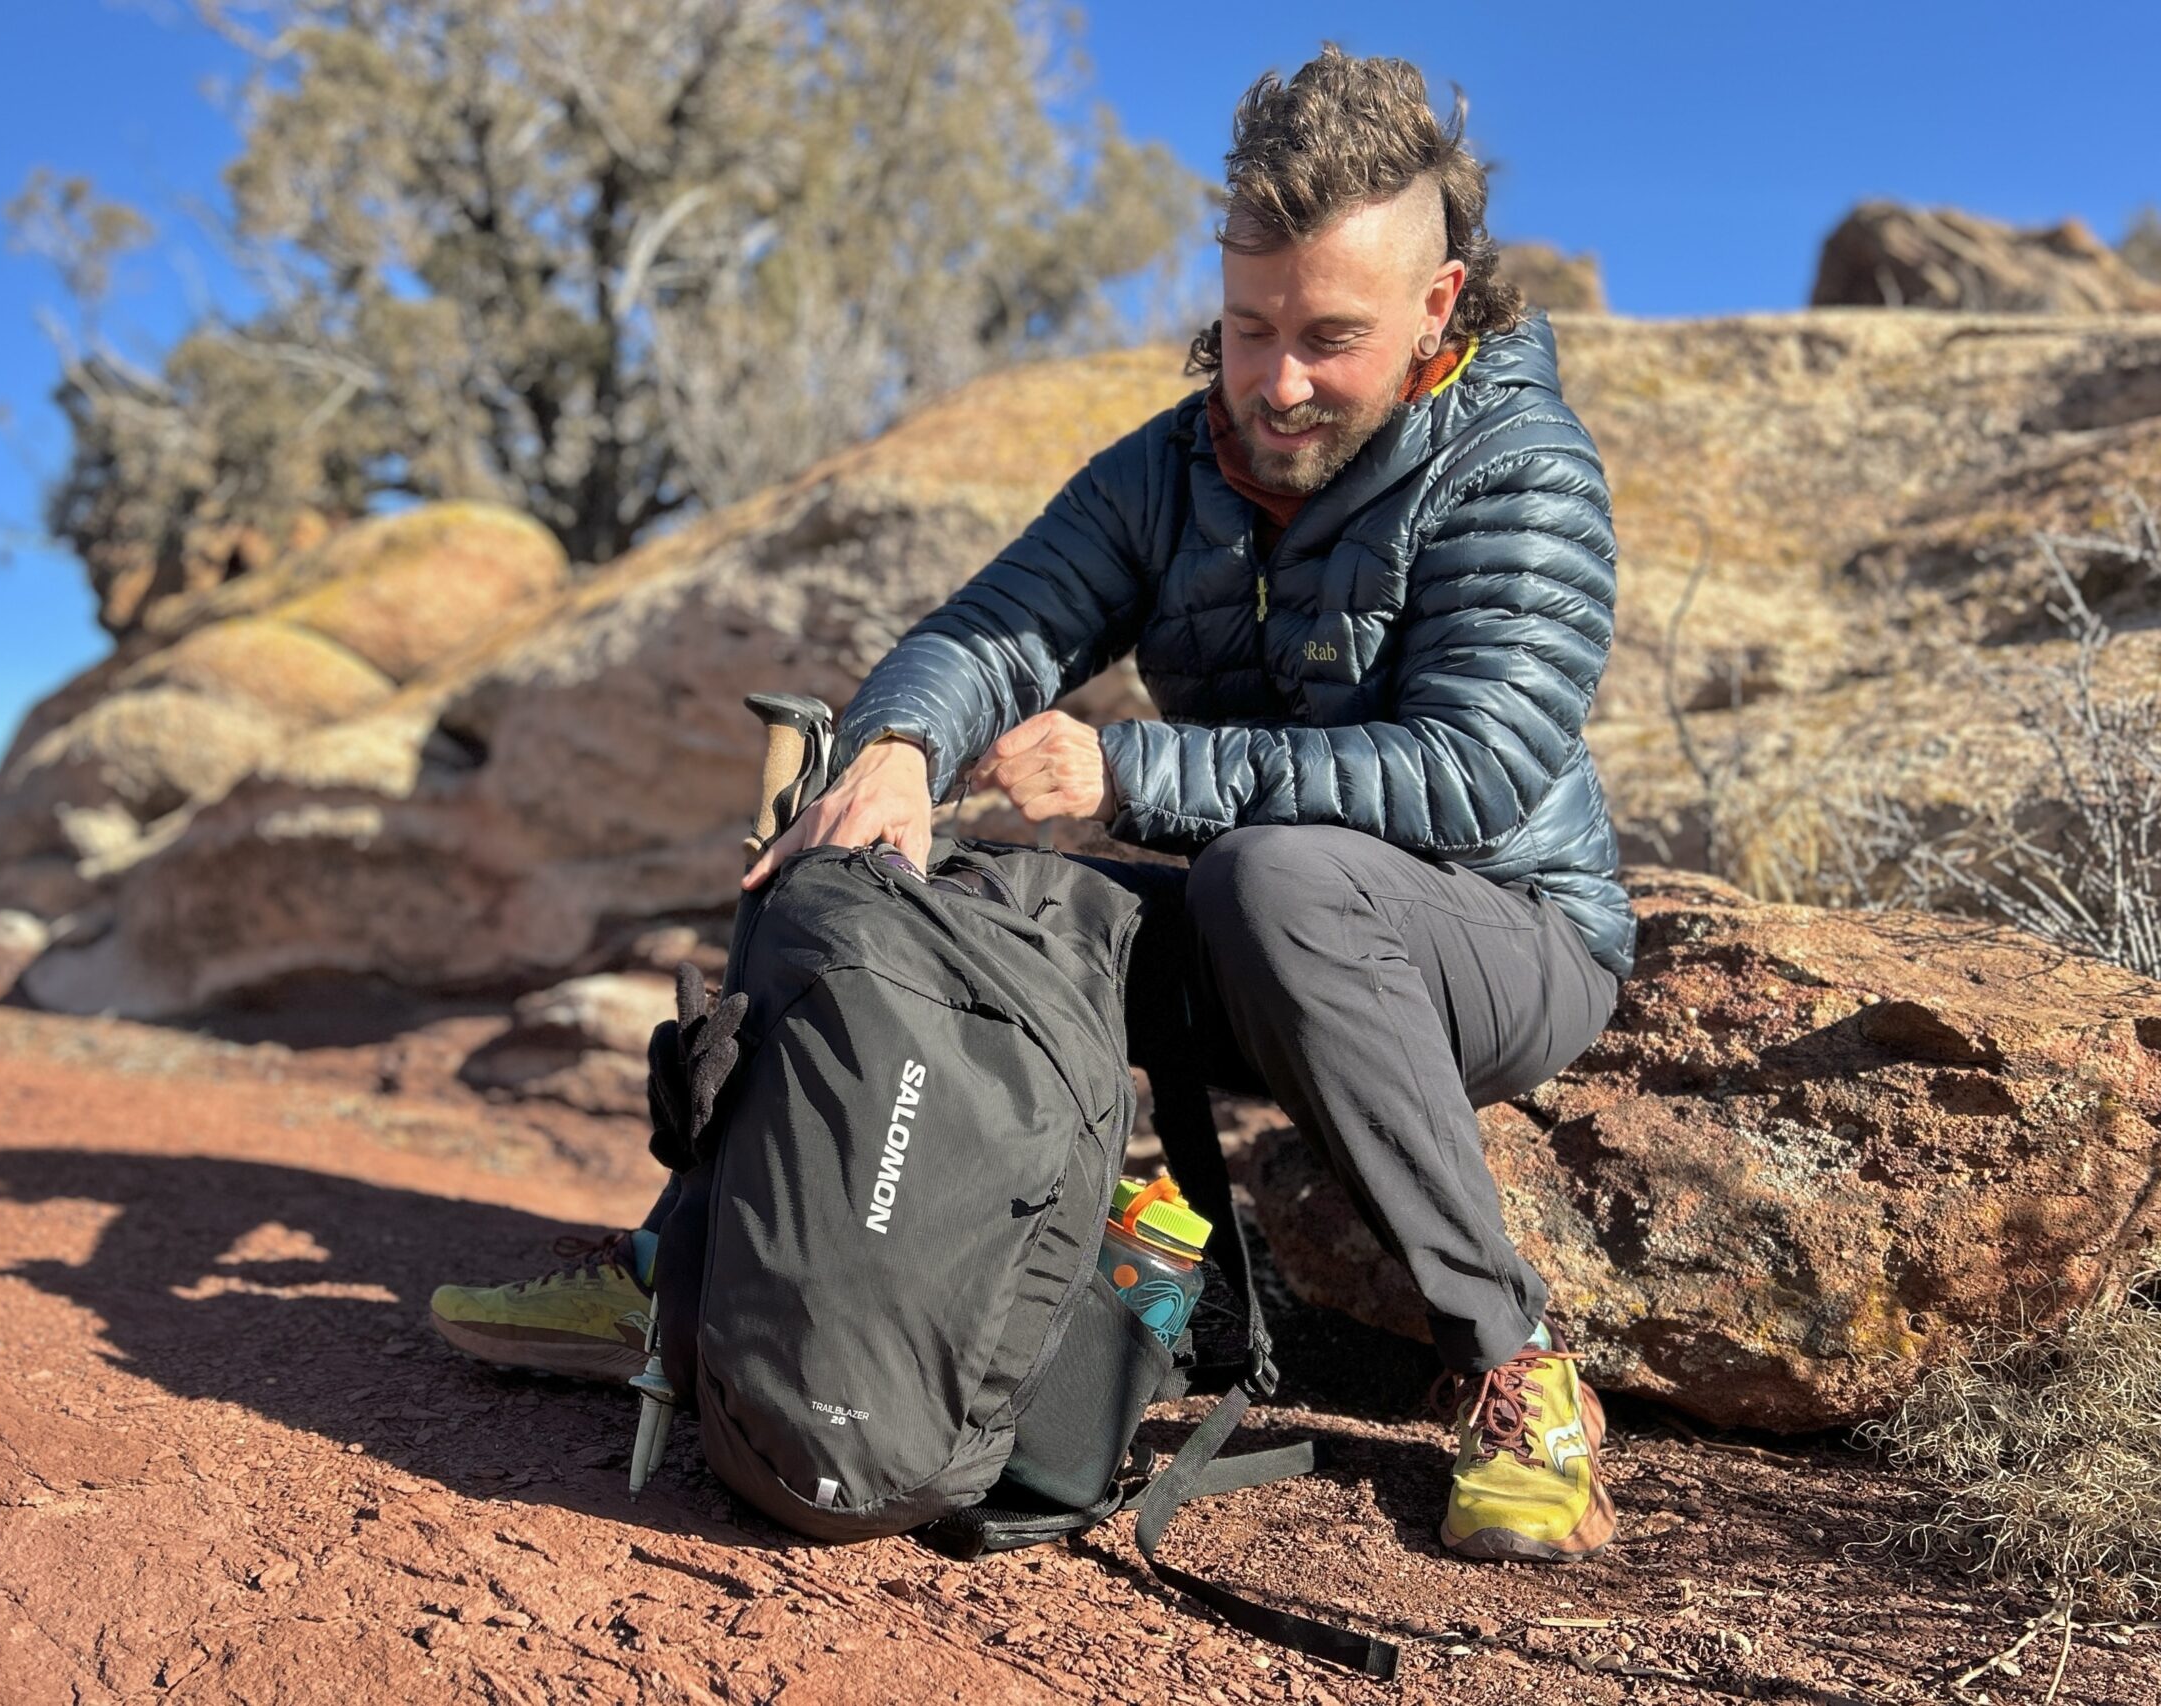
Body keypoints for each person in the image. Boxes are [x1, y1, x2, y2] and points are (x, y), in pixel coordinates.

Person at [430, 43, 1633, 1565]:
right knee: (921, 886)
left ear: (1438, 307)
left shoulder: (1519, 469)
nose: (1275, 380)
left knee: (1277, 879)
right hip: (1264, 925)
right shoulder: (1179, 466)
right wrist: (903, 749)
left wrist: (1134, 771)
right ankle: (698, 1264)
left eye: (1330, 337)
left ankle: (1517, 1360)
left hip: (1503, 938)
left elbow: (1471, 770)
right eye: (1249, 326)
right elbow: (996, 628)